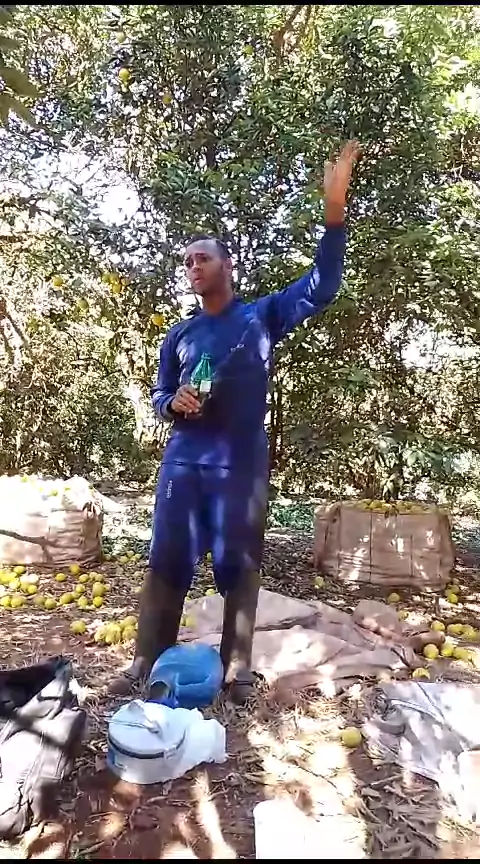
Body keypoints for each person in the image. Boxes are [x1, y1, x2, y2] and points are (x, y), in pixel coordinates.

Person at [109, 140, 360, 703]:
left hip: (239, 467)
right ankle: (145, 663)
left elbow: (321, 287)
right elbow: (159, 393)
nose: (193, 267)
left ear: (228, 266)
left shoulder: (260, 317)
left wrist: (333, 212)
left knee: (238, 564)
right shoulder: (180, 334)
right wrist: (171, 403)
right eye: (187, 262)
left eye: (202, 258)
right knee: (167, 561)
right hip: (183, 465)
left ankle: (237, 671)